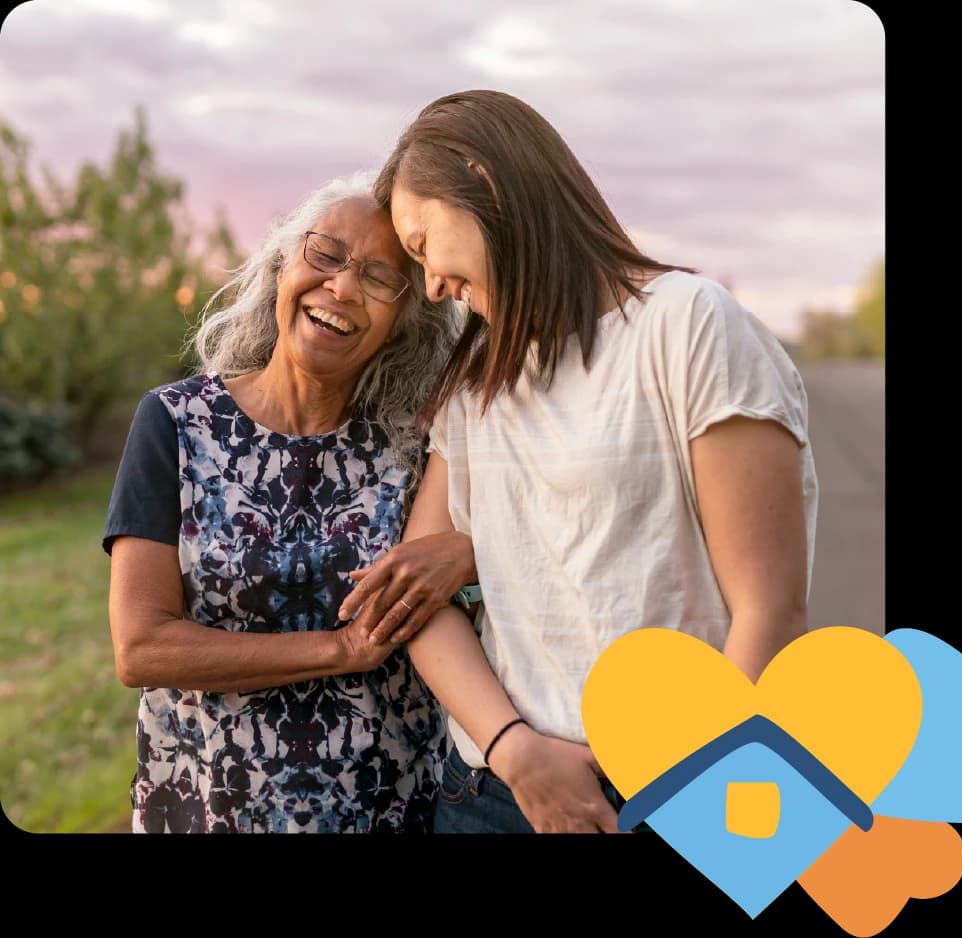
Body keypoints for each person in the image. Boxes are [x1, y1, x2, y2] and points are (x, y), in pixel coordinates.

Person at [337, 90, 819, 834]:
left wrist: (693, 794)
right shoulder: (477, 380)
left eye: (425, 243)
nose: (431, 285)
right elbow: (417, 600)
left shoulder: (688, 326)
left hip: (677, 788)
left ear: (484, 183)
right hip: (496, 792)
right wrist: (513, 750)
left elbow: (770, 613)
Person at [103, 172, 470, 833]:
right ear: (282, 266)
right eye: (326, 253)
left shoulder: (423, 443)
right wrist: (339, 648)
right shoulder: (175, 422)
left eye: (380, 279)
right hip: (211, 807)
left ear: (404, 323)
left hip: (391, 809)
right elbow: (142, 647)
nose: (343, 287)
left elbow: (502, 553)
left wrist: (467, 555)